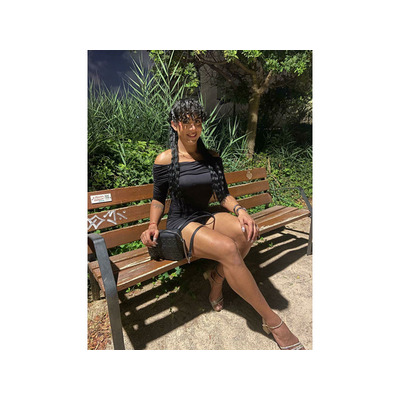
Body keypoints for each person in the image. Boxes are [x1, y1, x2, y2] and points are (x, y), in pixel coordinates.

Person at [140, 98, 305, 350]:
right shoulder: (165, 160)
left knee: (246, 232)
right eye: (186, 122)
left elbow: (223, 194)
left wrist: (241, 211)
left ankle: (216, 277)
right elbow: (158, 199)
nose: (193, 128)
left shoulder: (212, 157)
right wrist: (153, 224)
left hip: (205, 214)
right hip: (181, 222)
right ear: (174, 125)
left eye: (198, 122)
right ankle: (273, 322)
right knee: (228, 249)